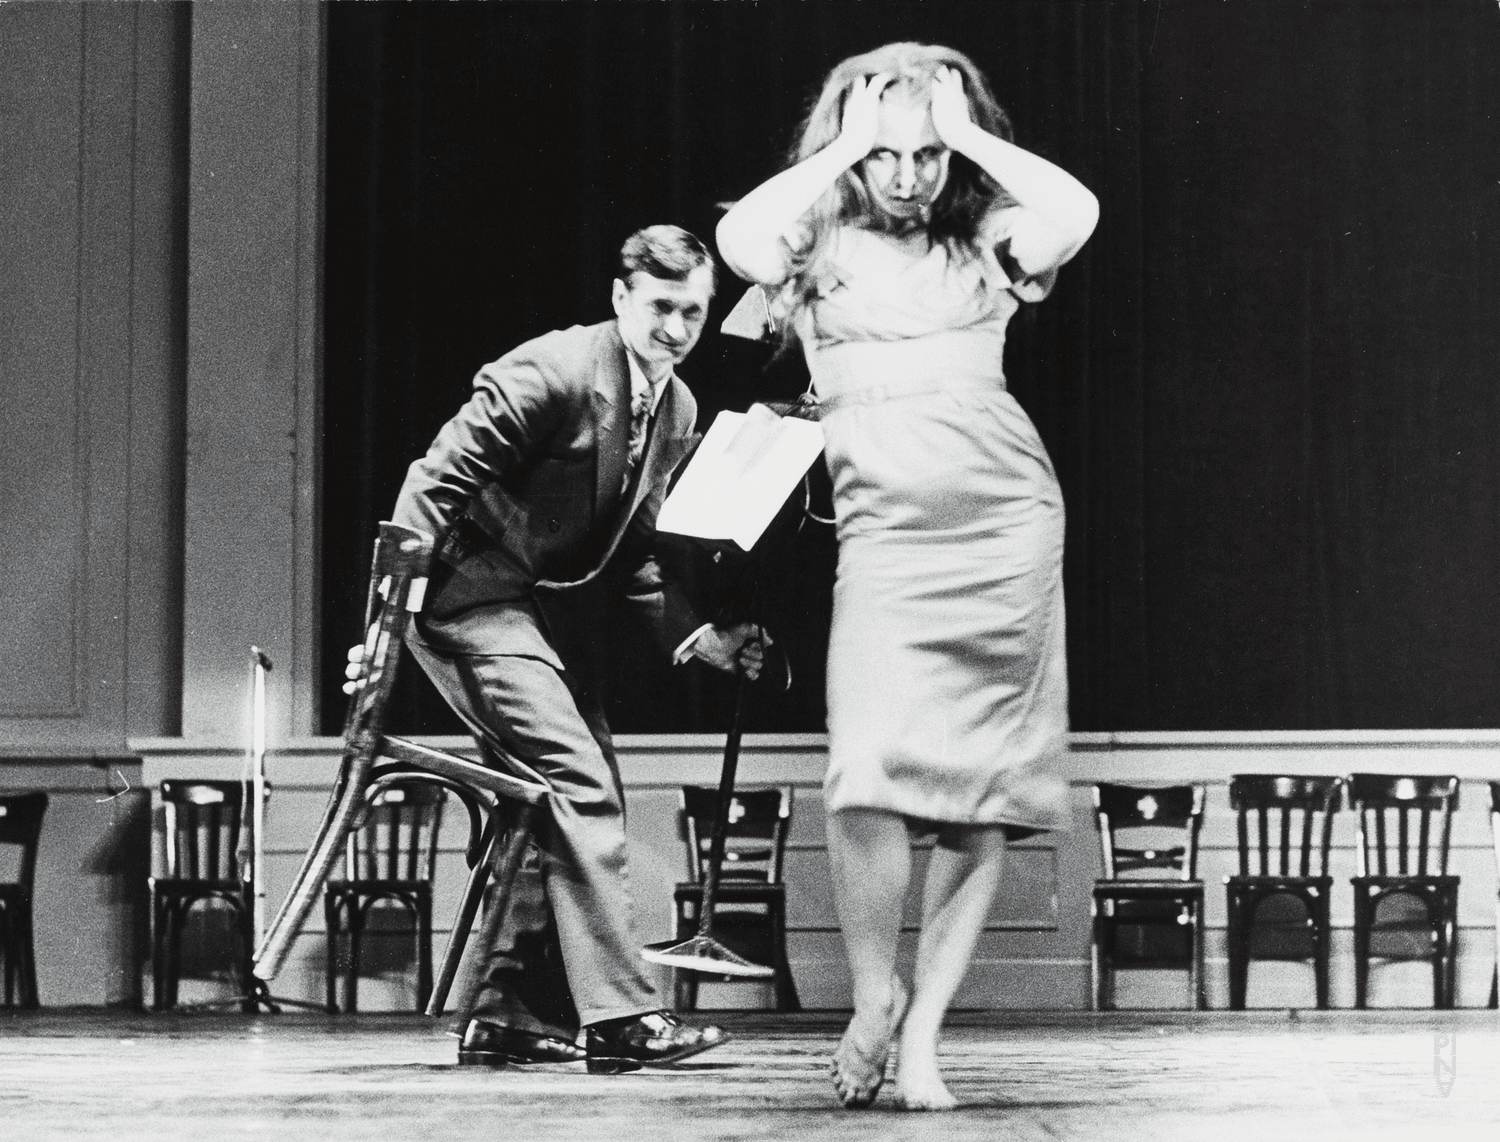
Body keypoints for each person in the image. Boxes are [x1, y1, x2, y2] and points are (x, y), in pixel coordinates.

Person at [716, 44, 1098, 1110]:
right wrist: (854, 139)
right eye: (893, 156)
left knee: (983, 796)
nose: (911, 174)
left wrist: (959, 127)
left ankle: (925, 1033)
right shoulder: (814, 238)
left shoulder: (986, 234)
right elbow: (740, 238)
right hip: (888, 539)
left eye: (930, 156)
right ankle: (874, 995)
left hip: (1004, 524)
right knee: (868, 773)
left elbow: (1078, 212)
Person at [374, 225, 764, 1072]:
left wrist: (702, 640)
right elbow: (431, 480)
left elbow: (633, 554)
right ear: (623, 297)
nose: (676, 328)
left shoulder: (678, 406)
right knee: (574, 777)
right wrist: (381, 622)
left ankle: (511, 1013)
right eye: (661, 307)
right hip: (463, 599)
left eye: (692, 311)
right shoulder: (553, 369)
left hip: (525, 611)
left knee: (572, 788)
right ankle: (622, 1019)